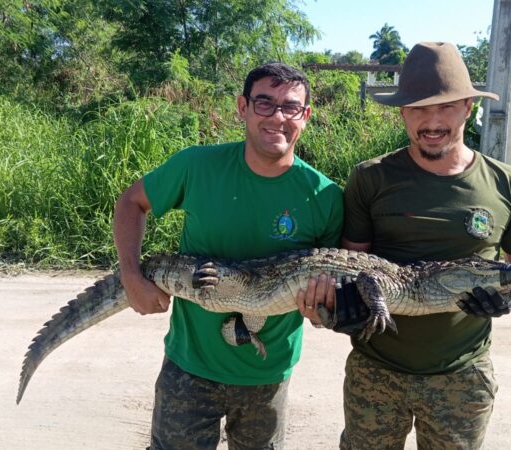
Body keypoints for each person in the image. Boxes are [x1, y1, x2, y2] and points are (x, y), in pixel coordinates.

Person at [113, 62, 343, 449]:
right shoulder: (197, 166)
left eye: (290, 107)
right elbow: (131, 203)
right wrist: (131, 276)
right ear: (243, 107)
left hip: (268, 373)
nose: (277, 118)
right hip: (189, 365)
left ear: (305, 116)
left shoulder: (326, 196)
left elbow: (327, 300)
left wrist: (321, 310)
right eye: (265, 104)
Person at [337, 42, 511, 449]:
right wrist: (344, 306)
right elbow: (351, 263)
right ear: (402, 112)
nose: (431, 121)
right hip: (375, 370)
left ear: (469, 106)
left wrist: (510, 301)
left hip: (463, 375)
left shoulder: (510, 184)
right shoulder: (369, 178)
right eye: (417, 107)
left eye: (445, 106)